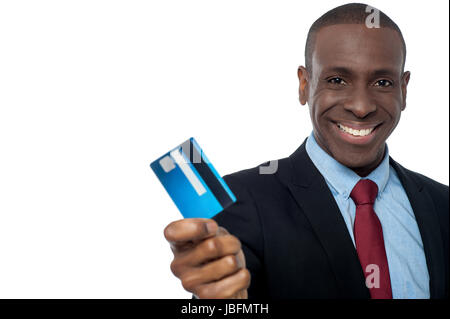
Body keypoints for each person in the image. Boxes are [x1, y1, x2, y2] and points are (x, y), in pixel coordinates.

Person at [163, 3, 449, 299]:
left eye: (382, 82)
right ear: (304, 84)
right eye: (337, 80)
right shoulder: (239, 201)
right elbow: (224, 285)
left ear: (404, 89)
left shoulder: (443, 205)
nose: (361, 107)